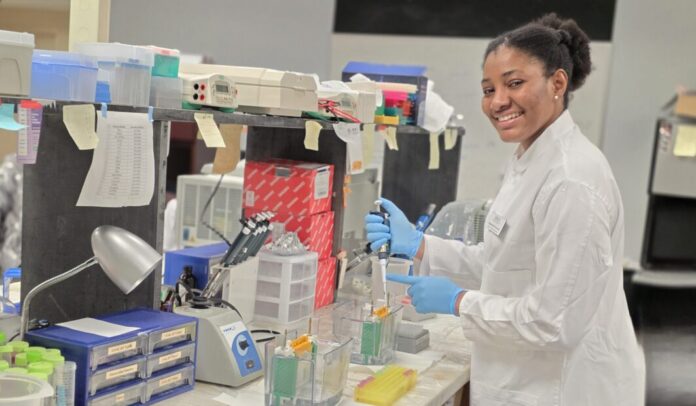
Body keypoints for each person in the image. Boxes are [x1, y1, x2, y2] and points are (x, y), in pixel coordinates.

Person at [365, 13, 645, 406]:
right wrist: (422, 247)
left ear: (557, 84)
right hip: (526, 380)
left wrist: (459, 302)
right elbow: (508, 265)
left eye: (514, 83)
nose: (498, 102)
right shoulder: (528, 158)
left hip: (566, 389)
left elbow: (554, 321)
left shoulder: (571, 180)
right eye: (488, 89)